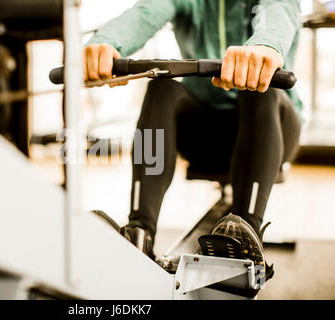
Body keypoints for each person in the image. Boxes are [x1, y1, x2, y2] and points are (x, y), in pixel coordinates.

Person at [83, 0, 302, 267]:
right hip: (203, 136)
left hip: (270, 129)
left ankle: (246, 235)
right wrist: (105, 43)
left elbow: (278, 13)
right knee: (160, 89)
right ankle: (140, 231)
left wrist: (265, 47)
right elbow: (144, 13)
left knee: (259, 93)